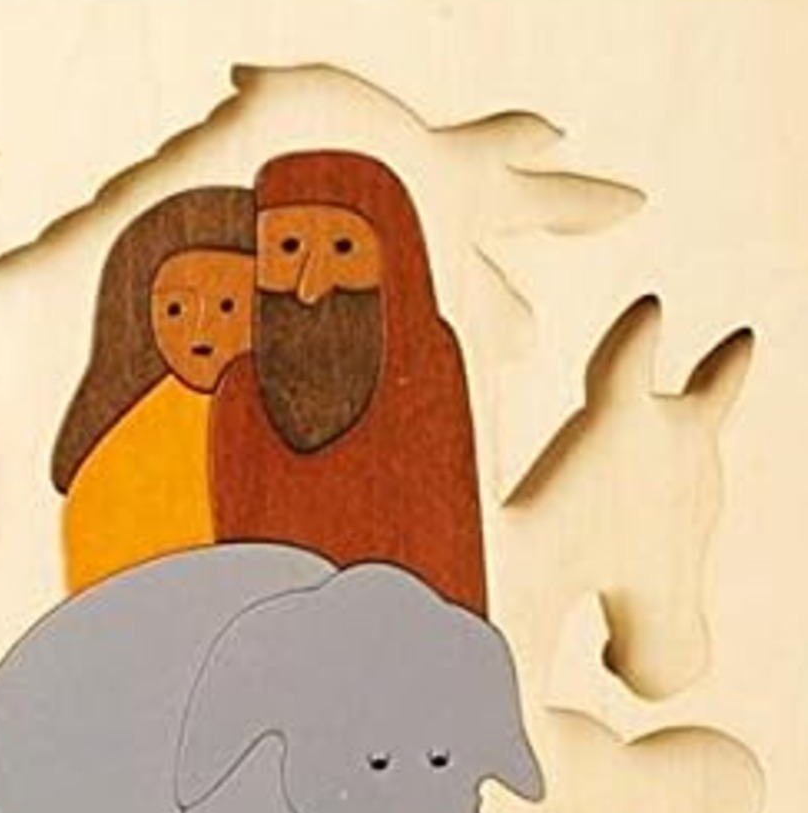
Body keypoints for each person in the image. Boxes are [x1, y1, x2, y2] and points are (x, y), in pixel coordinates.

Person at [210, 150, 487, 614]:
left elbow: (449, 546)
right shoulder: (240, 392)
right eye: (288, 248)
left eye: (343, 249)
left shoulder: (428, 364)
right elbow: (239, 562)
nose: (310, 286)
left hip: (408, 629)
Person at [54, 187, 255, 591]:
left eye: (228, 306)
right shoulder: (119, 456)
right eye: (176, 309)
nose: (202, 332)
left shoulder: (278, 417)